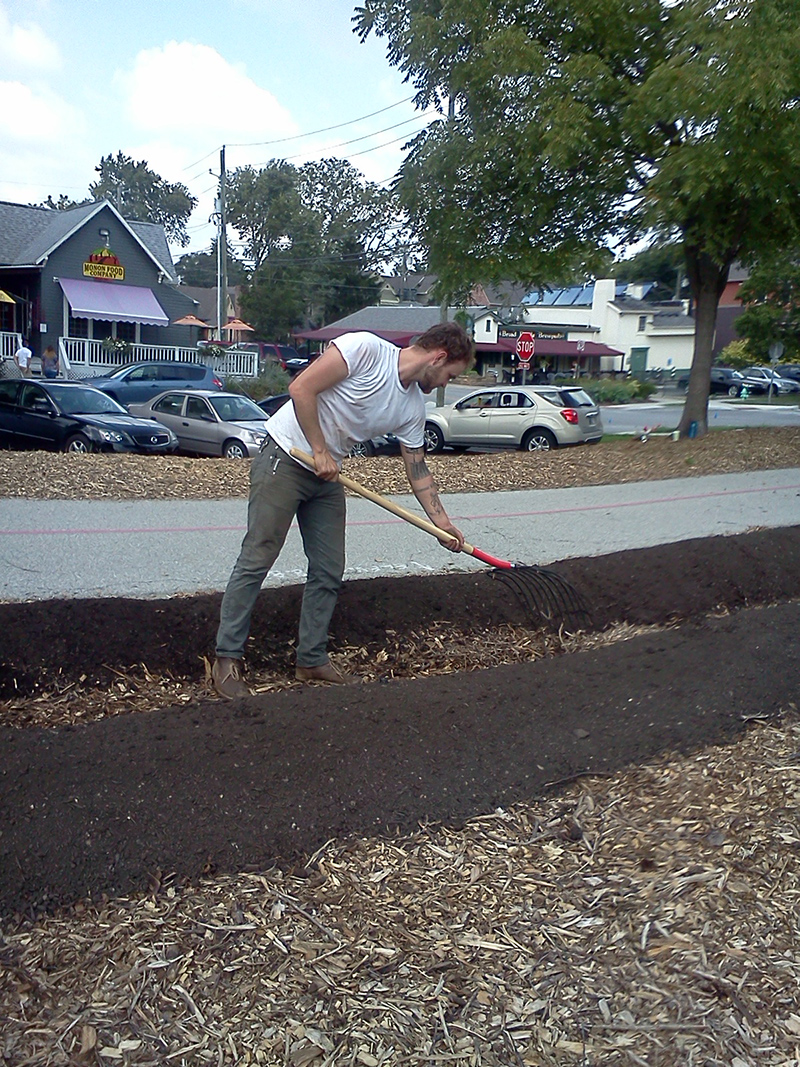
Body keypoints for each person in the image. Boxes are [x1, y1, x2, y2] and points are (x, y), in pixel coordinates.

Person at [211, 322, 474, 698]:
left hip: (327, 474)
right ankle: (227, 660)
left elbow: (417, 469)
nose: (447, 383)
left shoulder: (413, 406)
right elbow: (301, 388)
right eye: (451, 374)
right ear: (439, 357)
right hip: (287, 456)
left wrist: (442, 523)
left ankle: (311, 660)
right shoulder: (365, 349)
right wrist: (319, 449)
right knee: (257, 557)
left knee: (329, 568)